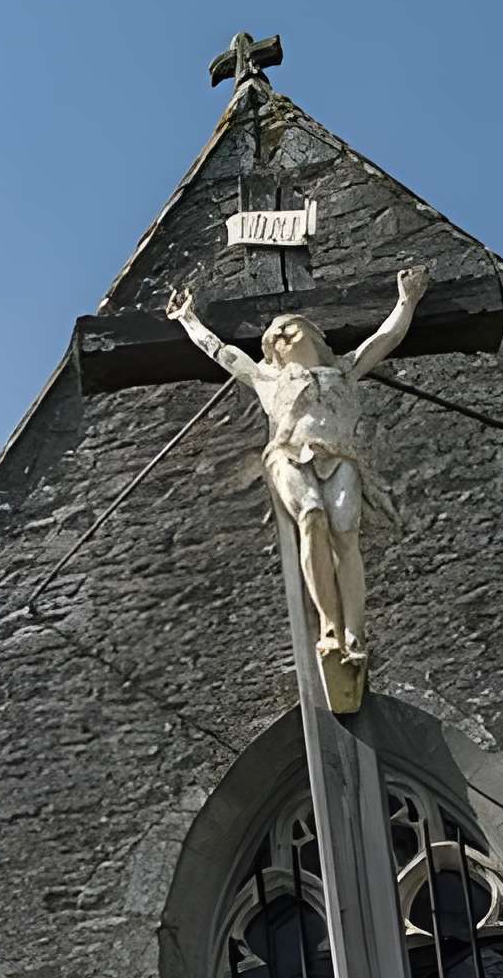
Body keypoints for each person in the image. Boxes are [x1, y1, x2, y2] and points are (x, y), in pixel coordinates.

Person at [166, 264, 430, 679]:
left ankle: (354, 631)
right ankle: (328, 624)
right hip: (288, 455)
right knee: (312, 518)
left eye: (288, 328)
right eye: (273, 337)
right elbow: (221, 352)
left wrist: (407, 299)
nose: (281, 337)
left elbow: (386, 337)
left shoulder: (344, 369)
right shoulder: (268, 376)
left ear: (312, 333)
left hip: (339, 455)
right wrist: (188, 320)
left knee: (346, 535)